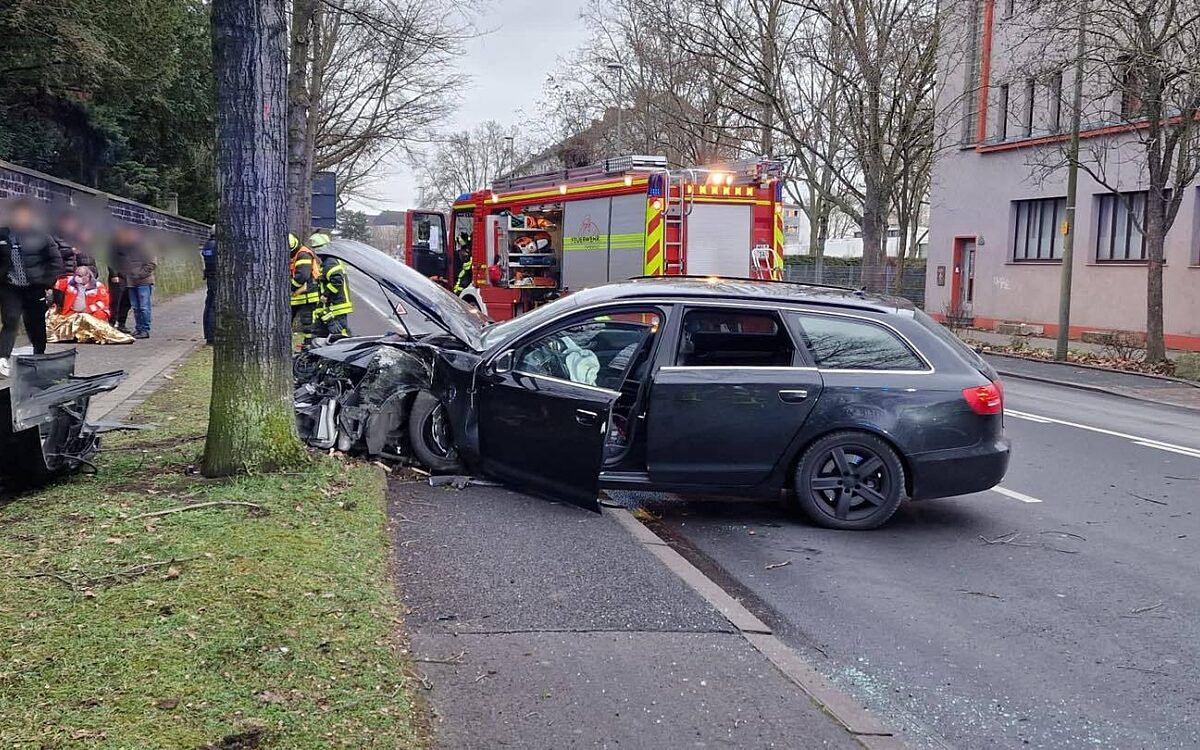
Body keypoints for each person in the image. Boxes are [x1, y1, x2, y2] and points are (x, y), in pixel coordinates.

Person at [0, 199, 64, 377]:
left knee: (36, 323)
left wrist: (48, 281)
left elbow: (55, 260)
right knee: (11, 320)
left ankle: (39, 355)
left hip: (35, 286)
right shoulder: (3, 235)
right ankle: (2, 358)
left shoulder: (41, 236)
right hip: (10, 287)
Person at [46, 265, 132, 345]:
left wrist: (88, 310)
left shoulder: (98, 286)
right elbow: (55, 284)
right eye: (77, 275)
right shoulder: (69, 282)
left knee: (87, 319)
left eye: (81, 276)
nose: (78, 278)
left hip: (93, 315)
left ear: (88, 276)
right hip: (72, 313)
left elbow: (103, 303)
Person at [109, 225, 155, 337]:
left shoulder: (146, 246)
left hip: (143, 281)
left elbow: (152, 264)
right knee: (136, 307)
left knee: (144, 307)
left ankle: (145, 329)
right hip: (130, 282)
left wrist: (138, 274)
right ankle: (139, 328)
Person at [290, 232, 323, 345]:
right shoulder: (295, 254)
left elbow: (302, 276)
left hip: (307, 295)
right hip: (297, 296)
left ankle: (309, 345)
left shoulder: (303, 254)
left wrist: (290, 288)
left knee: (308, 324)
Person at [313, 255, 353, 340]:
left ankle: (345, 345)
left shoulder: (330, 263)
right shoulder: (329, 261)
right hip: (332, 305)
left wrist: (325, 294)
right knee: (324, 333)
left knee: (339, 334)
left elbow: (337, 281)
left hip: (336, 306)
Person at [201, 227, 217, 345]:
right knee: (213, 306)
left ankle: (208, 334)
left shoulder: (207, 245)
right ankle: (212, 335)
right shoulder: (217, 245)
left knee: (209, 305)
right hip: (216, 277)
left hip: (210, 277)